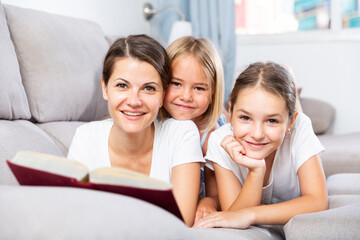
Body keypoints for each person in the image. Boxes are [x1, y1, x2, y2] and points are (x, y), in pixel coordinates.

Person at [67, 35, 204, 226]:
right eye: (122, 85)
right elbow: (73, 216)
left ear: (163, 94)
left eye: (148, 88)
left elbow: (181, 221)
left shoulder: (181, 133)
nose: (134, 101)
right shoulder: (86, 137)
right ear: (105, 88)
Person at [193, 62, 328, 229]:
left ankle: (289, 78)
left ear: (290, 121)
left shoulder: (300, 126)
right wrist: (256, 171)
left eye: (272, 120)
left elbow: (317, 200)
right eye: (245, 118)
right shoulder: (220, 141)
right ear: (231, 111)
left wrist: (252, 214)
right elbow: (233, 215)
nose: (257, 135)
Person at [161, 36, 227, 223]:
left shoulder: (212, 138)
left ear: (213, 92)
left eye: (199, 88)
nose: (186, 96)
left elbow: (218, 193)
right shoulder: (153, 125)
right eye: (176, 83)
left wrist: (209, 201)